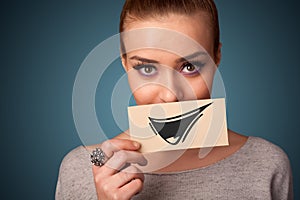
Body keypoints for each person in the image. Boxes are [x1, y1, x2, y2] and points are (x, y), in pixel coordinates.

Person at [56, 0, 293, 199]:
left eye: (190, 66)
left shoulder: (267, 164)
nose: (170, 95)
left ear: (217, 56)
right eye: (147, 68)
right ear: (125, 63)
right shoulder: (82, 167)